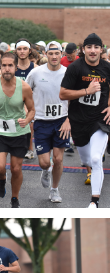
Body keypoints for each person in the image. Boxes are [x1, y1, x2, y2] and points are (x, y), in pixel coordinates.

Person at [59, 33, 110, 208]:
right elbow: (63, 93)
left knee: (96, 159)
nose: (93, 51)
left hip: (100, 120)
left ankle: (94, 202)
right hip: (78, 121)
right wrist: (86, 91)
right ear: (83, 49)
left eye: (96, 47)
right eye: (89, 47)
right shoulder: (75, 68)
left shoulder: (107, 68)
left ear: (101, 49)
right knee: (88, 160)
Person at [0, 52, 35, 208]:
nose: (7, 69)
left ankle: (14, 199)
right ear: (0, 66)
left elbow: (32, 110)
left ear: (16, 67)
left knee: (16, 169)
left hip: (19, 132)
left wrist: (27, 120)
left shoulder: (24, 87)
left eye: (10, 65)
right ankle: (2, 179)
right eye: (4, 65)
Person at [26, 41, 69, 203]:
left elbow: (74, 98)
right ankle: (45, 170)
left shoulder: (68, 73)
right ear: (46, 55)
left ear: (61, 54)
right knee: (45, 163)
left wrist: (69, 120)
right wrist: (28, 111)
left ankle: (54, 189)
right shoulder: (36, 73)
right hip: (42, 122)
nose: (54, 56)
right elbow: (25, 92)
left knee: (58, 159)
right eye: (50, 53)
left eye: (57, 53)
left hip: (61, 121)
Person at [13, 39, 36, 160]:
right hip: (15, 101)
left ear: (29, 51)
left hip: (31, 101)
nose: (22, 51)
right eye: (19, 49)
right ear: (16, 51)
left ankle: (30, 149)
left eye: (25, 49)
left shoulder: (35, 68)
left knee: (30, 126)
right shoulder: (12, 67)